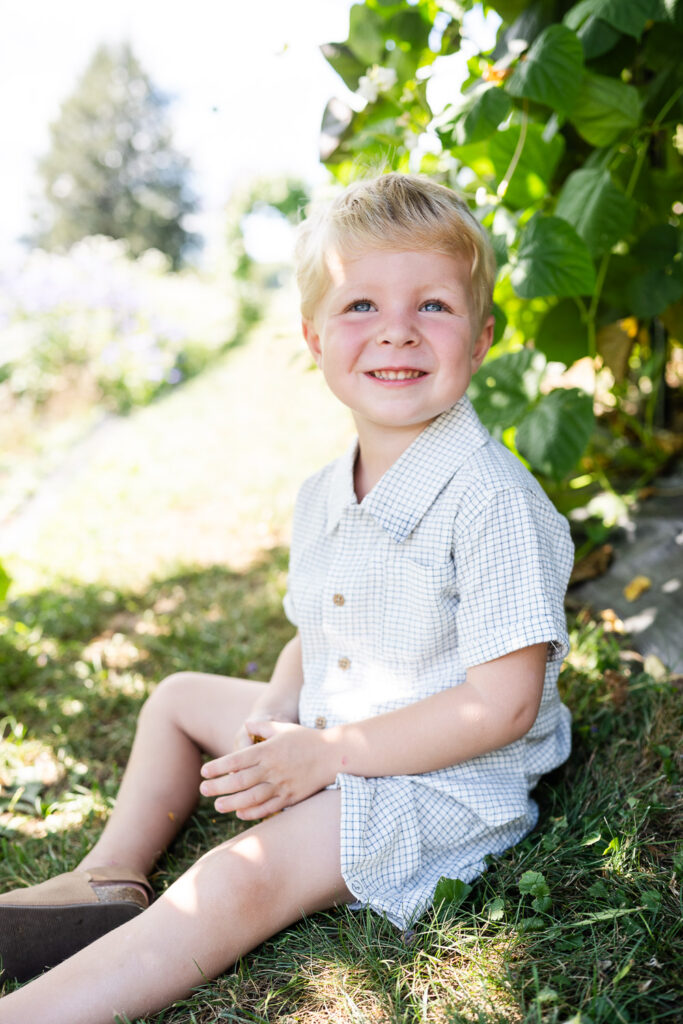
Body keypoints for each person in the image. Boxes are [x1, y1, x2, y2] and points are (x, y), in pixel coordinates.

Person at [0, 173, 573, 1024]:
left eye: (433, 308)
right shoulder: (321, 494)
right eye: (360, 307)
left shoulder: (490, 499)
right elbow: (319, 629)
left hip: (441, 780)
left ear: (481, 336)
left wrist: (326, 756)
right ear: (312, 336)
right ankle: (108, 875)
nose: (396, 332)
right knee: (177, 699)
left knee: (234, 879)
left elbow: (501, 706)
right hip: (336, 726)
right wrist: (279, 708)